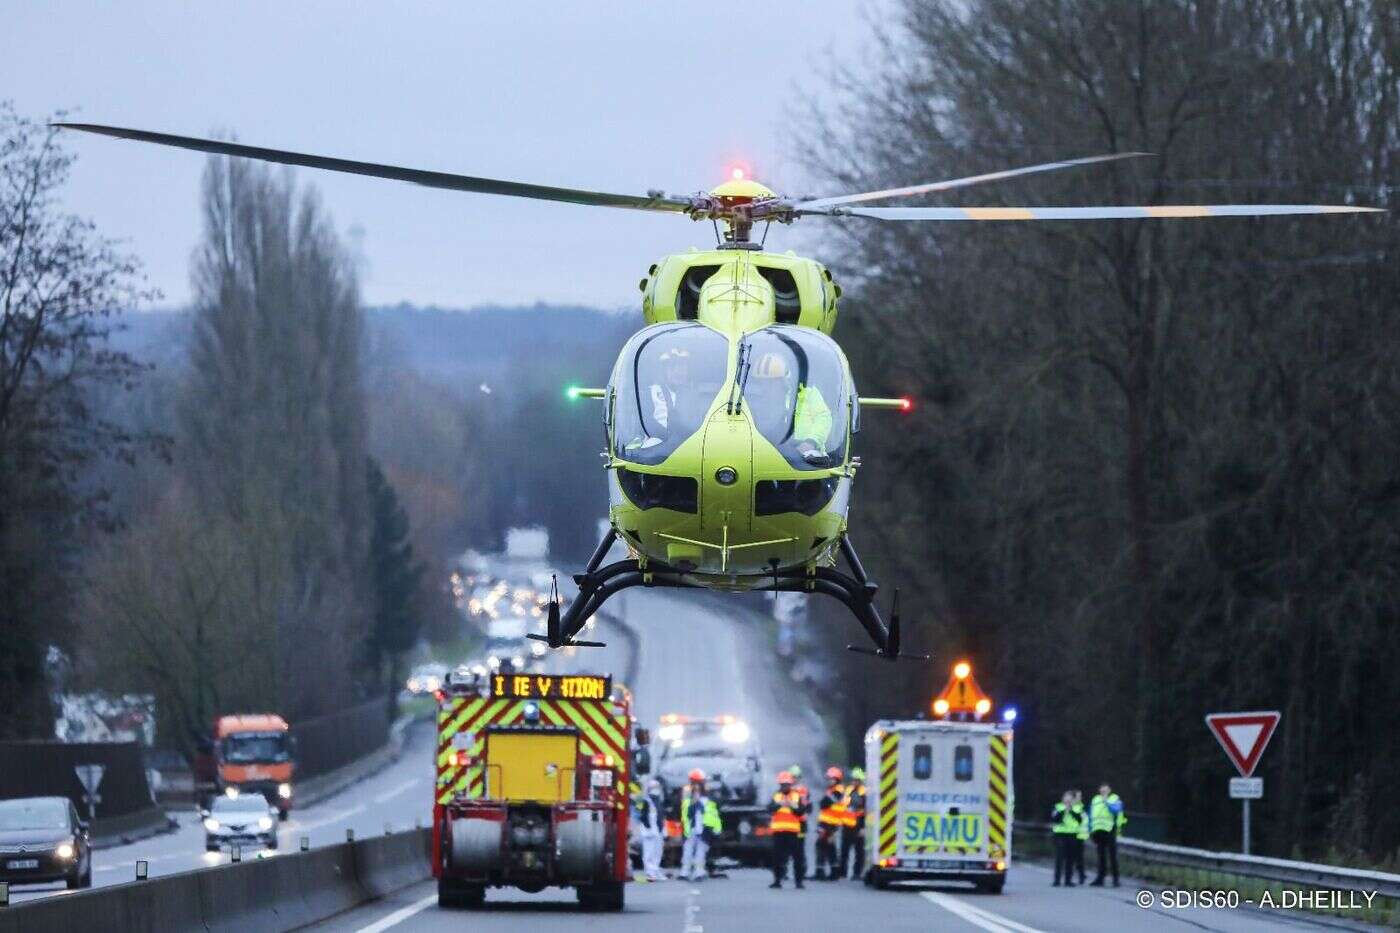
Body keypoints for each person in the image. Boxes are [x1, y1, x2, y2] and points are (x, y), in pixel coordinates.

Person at [746, 352, 833, 465]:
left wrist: (811, 441)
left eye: (771, 382)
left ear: (784, 380)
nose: (765, 387)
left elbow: (824, 417)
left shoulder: (808, 393)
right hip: (773, 457)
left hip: (807, 458)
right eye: (762, 383)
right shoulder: (757, 403)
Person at [767, 771, 809, 889]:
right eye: (783, 785)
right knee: (777, 857)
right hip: (778, 832)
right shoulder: (776, 796)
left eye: (787, 784)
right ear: (780, 785)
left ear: (790, 785)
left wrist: (792, 806)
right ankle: (777, 880)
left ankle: (799, 881)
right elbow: (769, 809)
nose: (785, 787)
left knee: (797, 857)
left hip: (793, 832)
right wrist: (779, 804)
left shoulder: (796, 796)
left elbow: (801, 811)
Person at [680, 768, 721, 881]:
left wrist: (716, 828)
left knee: (700, 852)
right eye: (694, 783)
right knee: (687, 851)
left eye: (699, 783)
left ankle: (699, 872)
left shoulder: (709, 799)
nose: (696, 786)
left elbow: (714, 815)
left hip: (704, 829)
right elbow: (684, 814)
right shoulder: (687, 798)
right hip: (691, 828)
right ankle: (685, 872)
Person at [1089, 783, 1127, 887]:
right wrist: (1090, 829)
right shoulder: (1095, 799)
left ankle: (1116, 879)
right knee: (1101, 856)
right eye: (1102, 789)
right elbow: (1091, 814)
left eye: (1106, 789)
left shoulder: (1115, 798)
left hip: (1110, 830)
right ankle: (1100, 878)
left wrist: (1106, 802)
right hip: (1098, 830)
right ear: (1099, 789)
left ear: (1109, 790)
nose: (1103, 791)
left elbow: (1116, 810)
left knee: (1112, 856)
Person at [814, 766, 848, 880]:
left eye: (831, 779)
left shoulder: (838, 791)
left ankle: (821, 872)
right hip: (827, 823)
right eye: (828, 778)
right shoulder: (833, 790)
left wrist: (832, 829)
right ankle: (833, 872)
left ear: (837, 779)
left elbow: (824, 803)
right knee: (829, 848)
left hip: (830, 824)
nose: (829, 781)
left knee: (821, 846)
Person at [633, 778, 666, 881]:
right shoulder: (646, 801)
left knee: (657, 852)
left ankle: (655, 871)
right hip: (649, 831)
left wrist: (661, 829)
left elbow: (660, 816)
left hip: (658, 831)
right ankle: (650, 873)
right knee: (649, 852)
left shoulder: (658, 801)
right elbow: (642, 815)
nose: (656, 790)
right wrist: (648, 827)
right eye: (654, 787)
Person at [840, 766, 866, 881]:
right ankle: (842, 872)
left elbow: (866, 811)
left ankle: (857, 873)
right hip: (847, 826)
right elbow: (844, 805)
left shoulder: (864, 792)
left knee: (859, 852)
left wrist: (863, 827)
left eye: (857, 780)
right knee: (844, 851)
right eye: (853, 779)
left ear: (861, 781)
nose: (854, 782)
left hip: (858, 826)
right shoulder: (848, 790)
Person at [1051, 790, 1081, 886]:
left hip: (1072, 834)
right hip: (1060, 834)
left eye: (1070, 797)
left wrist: (1071, 810)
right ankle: (1057, 880)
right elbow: (1055, 819)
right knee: (1059, 857)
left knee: (1070, 858)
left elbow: (1079, 819)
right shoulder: (1058, 807)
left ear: (1073, 799)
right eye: (1066, 797)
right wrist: (1064, 811)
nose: (1067, 799)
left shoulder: (1077, 808)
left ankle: (1068, 880)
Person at [1071, 789, 1088, 885]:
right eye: (1078, 796)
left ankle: (1081, 875)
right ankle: (1072, 875)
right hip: (1071, 834)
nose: (1080, 798)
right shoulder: (1071, 807)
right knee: (1071, 857)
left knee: (1079, 857)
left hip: (1080, 835)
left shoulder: (1082, 807)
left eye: (1080, 796)